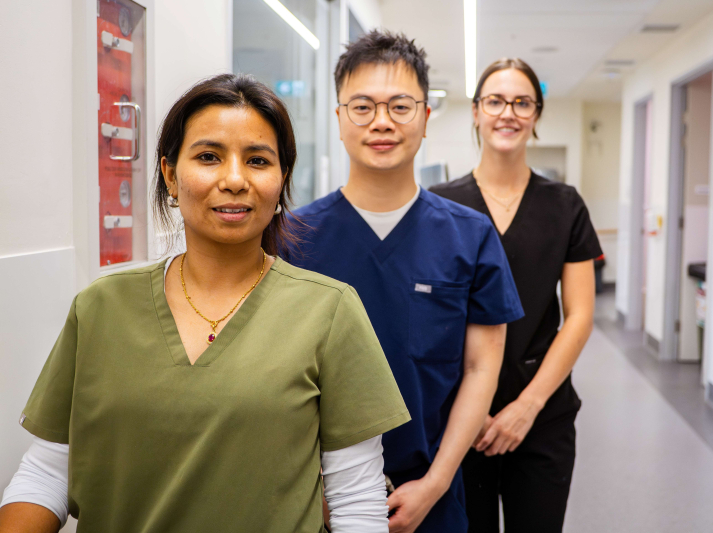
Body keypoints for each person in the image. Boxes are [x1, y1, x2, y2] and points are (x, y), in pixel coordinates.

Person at [0, 74, 410, 533]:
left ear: (281, 181)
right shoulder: (100, 308)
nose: (234, 180)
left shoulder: (330, 311)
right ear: (171, 175)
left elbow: (356, 502)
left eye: (257, 160)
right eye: (209, 157)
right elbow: (48, 472)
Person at [289, 31, 524, 533]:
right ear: (337, 119)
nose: (381, 122)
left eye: (400, 106)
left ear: (424, 117)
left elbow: (482, 369)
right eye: (362, 107)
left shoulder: (471, 236)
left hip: (430, 497)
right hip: (313, 499)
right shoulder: (293, 238)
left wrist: (435, 485)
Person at [430, 58, 601, 533]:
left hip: (542, 414)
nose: (508, 112)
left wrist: (527, 407)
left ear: (536, 114)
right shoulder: (441, 206)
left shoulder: (565, 205)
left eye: (522, 102)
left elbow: (580, 316)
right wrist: (471, 412)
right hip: (459, 417)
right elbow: (431, 320)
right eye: (496, 101)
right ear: (476, 112)